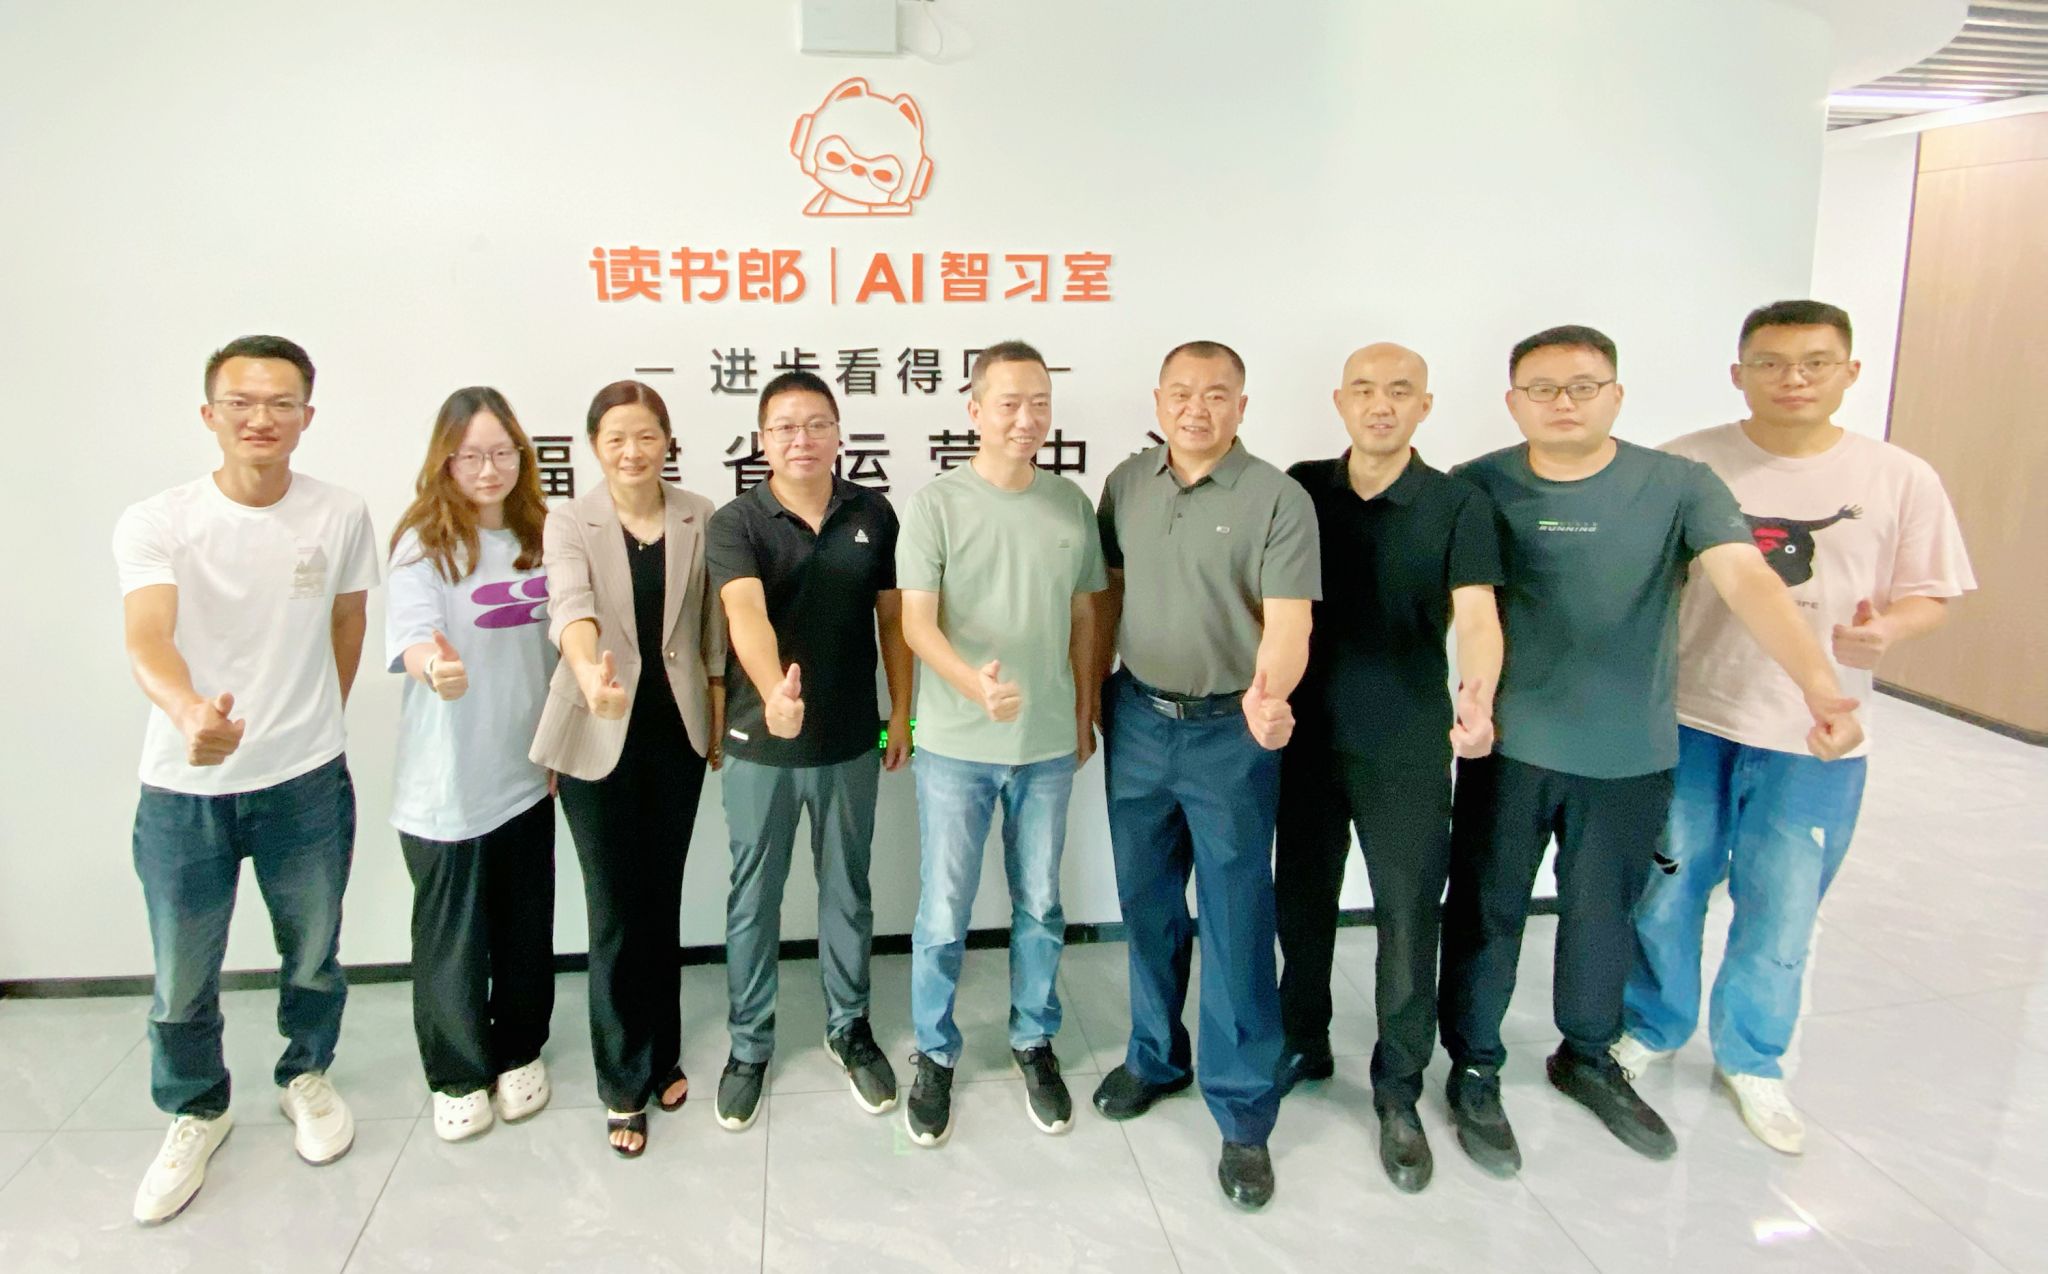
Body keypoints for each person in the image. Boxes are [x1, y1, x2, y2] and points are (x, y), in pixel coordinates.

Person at [1436, 324, 1864, 1179]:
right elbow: (1468, 607)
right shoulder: (1475, 485)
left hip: (1630, 752)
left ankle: (1586, 1055)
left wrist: (1820, 687)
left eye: (1583, 386)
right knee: (1488, 910)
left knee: (1604, 915)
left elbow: (1747, 580)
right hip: (1510, 748)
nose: (1563, 403)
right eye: (1542, 388)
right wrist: (1468, 698)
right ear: (1513, 401)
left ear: (1617, 395)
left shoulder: (1678, 485)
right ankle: (1474, 1066)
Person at [1615, 300, 1974, 1152]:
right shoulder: (1686, 462)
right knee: (1667, 889)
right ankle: (1652, 1027)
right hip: (1691, 715)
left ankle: (1754, 1058)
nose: (1794, 379)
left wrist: (1889, 632)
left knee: (1781, 906)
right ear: (1738, 374)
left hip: (1817, 731)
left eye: (1815, 362)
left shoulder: (1898, 477)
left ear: (1850, 372)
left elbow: (1931, 594)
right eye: (1771, 363)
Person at [114, 335, 377, 1224]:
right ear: (209, 414)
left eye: (280, 403)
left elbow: (348, 623)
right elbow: (147, 635)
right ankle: (196, 1108)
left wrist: (318, 720)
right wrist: (189, 711)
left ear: (307, 415)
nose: (261, 418)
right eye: (241, 402)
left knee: (312, 953)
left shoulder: (339, 513)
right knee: (182, 970)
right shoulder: (159, 520)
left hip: (305, 780)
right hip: (183, 787)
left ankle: (307, 1074)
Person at [1091, 340, 1320, 1211]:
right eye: (1182, 393)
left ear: (1242, 406)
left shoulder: (1277, 498)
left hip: (1233, 730)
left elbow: (1289, 622)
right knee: (1147, 903)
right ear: (1158, 400)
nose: (1197, 409)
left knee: (1234, 915)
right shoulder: (1126, 484)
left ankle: (1244, 1110)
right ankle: (1156, 1057)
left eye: (1216, 394)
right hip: (1139, 719)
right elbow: (1107, 595)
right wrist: (1089, 695)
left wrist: (1271, 695)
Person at [1274, 342, 1503, 1193]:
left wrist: (1477, 694)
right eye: (1365, 390)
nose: (1381, 405)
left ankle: (1399, 1083)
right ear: (1340, 402)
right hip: (1304, 737)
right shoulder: (1301, 487)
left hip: (1406, 741)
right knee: (1300, 902)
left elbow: (1476, 616)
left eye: (1400, 392)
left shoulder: (1456, 503)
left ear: (1424, 406)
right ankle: (1302, 1041)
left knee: (1408, 916)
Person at [895, 340, 1106, 1148]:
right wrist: (971, 684)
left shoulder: (1070, 504)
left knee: (1041, 904)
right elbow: (917, 624)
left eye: (1039, 403)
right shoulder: (936, 505)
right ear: (975, 410)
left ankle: (1033, 1039)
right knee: (944, 910)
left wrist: (1083, 708)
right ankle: (935, 1052)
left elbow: (1085, 614)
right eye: (1009, 403)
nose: (1027, 418)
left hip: (1046, 742)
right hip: (955, 745)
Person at [706, 370, 913, 1132]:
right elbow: (744, 615)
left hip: (850, 738)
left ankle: (849, 1028)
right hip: (760, 742)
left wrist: (903, 715)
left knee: (847, 890)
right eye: (786, 427)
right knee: (752, 899)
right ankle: (749, 1046)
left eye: (817, 423)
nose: (803, 438)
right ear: (763, 440)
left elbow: (893, 622)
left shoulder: (873, 513)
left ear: (838, 433)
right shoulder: (737, 522)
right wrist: (775, 692)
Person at [528, 380, 726, 1157]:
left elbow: (710, 631)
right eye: (616, 438)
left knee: (660, 899)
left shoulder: (699, 513)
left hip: (676, 733)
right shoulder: (570, 520)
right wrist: (589, 674)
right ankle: (621, 1082)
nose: (632, 451)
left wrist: (716, 715)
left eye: (646, 435)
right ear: (594, 445)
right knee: (613, 907)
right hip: (595, 727)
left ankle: (661, 1052)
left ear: (668, 440)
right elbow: (569, 607)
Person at [386, 386, 559, 1143]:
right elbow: (413, 636)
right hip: (447, 779)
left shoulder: (544, 535)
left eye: (501, 453)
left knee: (525, 923)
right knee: (452, 936)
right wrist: (435, 667)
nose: (488, 470)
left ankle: (519, 1048)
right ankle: (457, 1073)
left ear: (522, 455)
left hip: (527, 771)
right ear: (444, 462)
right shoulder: (423, 543)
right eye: (470, 456)